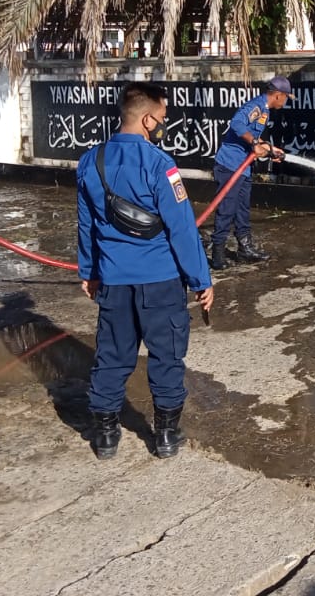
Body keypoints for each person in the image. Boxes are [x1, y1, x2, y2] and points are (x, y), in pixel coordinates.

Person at [77, 82, 214, 460]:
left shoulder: (91, 162)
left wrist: (88, 272)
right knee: (166, 356)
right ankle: (166, 436)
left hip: (114, 282)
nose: (162, 125)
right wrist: (201, 280)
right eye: (162, 119)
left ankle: (105, 437)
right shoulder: (160, 165)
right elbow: (182, 228)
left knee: (112, 357)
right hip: (161, 282)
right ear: (148, 118)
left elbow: (85, 223)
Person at [208, 75, 290, 271]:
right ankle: (217, 253)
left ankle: (245, 249)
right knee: (227, 209)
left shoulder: (264, 111)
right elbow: (236, 124)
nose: (286, 101)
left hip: (242, 168)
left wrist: (271, 150)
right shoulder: (257, 106)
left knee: (242, 209)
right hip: (229, 166)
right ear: (278, 95)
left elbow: (253, 137)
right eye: (286, 97)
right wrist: (254, 144)